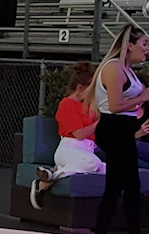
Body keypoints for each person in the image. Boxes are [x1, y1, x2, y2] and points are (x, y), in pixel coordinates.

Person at [94, 26, 149, 234]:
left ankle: (123, 229)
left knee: (129, 186)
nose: (148, 49)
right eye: (144, 44)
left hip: (123, 129)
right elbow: (114, 106)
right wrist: (143, 98)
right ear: (129, 46)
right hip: (113, 129)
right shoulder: (114, 68)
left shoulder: (128, 70)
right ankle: (106, 229)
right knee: (120, 186)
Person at [32, 61, 106, 209]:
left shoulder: (89, 106)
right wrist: (100, 121)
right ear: (80, 88)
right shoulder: (67, 104)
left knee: (108, 170)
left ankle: (50, 177)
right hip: (70, 149)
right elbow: (79, 134)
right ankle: (51, 177)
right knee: (93, 164)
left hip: (86, 151)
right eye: (91, 90)